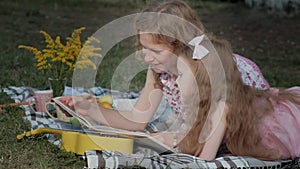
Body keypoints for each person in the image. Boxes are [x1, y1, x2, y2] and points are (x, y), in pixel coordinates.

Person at [60, 0, 300, 161]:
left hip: (248, 122)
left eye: (155, 51)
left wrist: (174, 140)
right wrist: (90, 109)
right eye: (144, 48)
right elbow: (136, 121)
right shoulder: (159, 71)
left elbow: (209, 131)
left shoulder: (205, 73)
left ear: (181, 48)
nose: (146, 57)